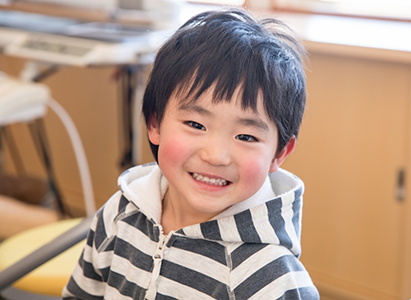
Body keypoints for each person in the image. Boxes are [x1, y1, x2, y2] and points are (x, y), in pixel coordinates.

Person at [63, 8, 319, 300]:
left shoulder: (269, 278)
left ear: (279, 153)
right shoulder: (120, 213)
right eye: (196, 124)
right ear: (155, 124)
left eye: (246, 136)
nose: (216, 156)